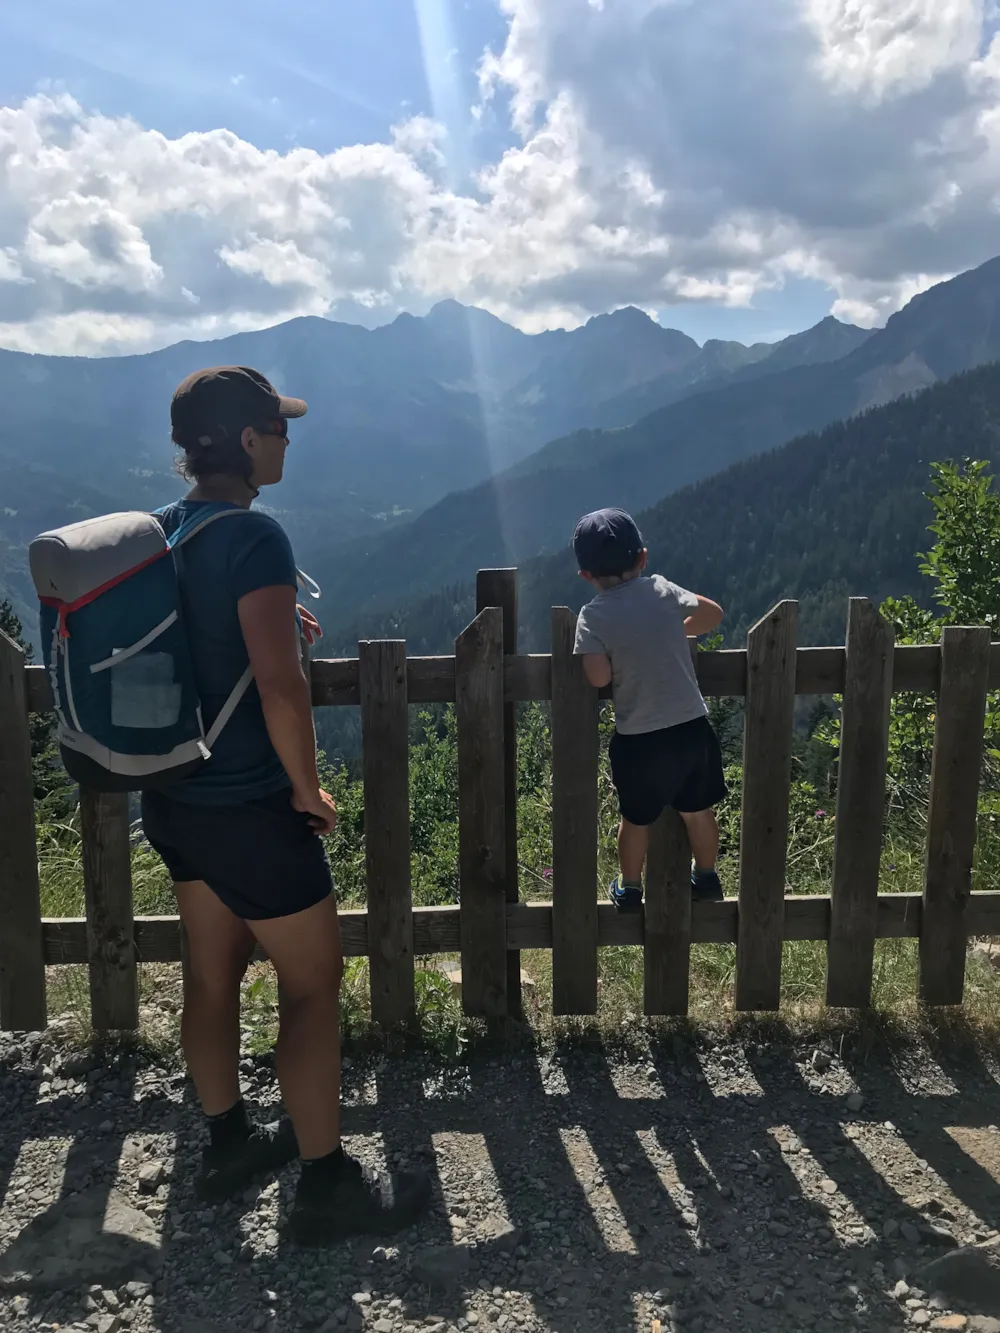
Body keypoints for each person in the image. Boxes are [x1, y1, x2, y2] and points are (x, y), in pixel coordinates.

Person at [141, 365, 430, 1242]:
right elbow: (279, 687)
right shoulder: (254, 539)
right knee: (312, 983)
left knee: (212, 972)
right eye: (278, 426)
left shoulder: (160, 532)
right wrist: (306, 790)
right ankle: (325, 1186)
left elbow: (199, 645)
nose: (288, 440)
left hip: (177, 800)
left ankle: (228, 1145)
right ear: (247, 441)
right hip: (250, 805)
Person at [572, 507, 727, 912]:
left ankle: (630, 888)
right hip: (692, 727)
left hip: (640, 738)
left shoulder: (593, 616)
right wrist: (674, 627)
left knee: (636, 819)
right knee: (698, 811)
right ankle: (707, 878)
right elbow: (713, 614)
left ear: (585, 575)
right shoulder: (662, 589)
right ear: (642, 557)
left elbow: (598, 677)